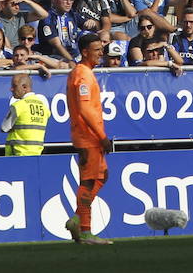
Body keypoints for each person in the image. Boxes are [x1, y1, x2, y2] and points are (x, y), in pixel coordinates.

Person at [65, 32, 111, 245]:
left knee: (101, 177)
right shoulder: (83, 74)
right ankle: (84, 230)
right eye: (96, 50)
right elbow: (84, 107)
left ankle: (77, 219)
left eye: (101, 49)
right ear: (84, 52)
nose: (101, 53)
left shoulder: (82, 73)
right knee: (89, 181)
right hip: (89, 137)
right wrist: (102, 136)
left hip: (87, 136)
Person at [1, 72, 50, 156]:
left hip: (18, 155)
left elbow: (4, 128)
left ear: (24, 87)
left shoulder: (18, 106)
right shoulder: (43, 107)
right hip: (37, 153)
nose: (11, 89)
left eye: (14, 86)